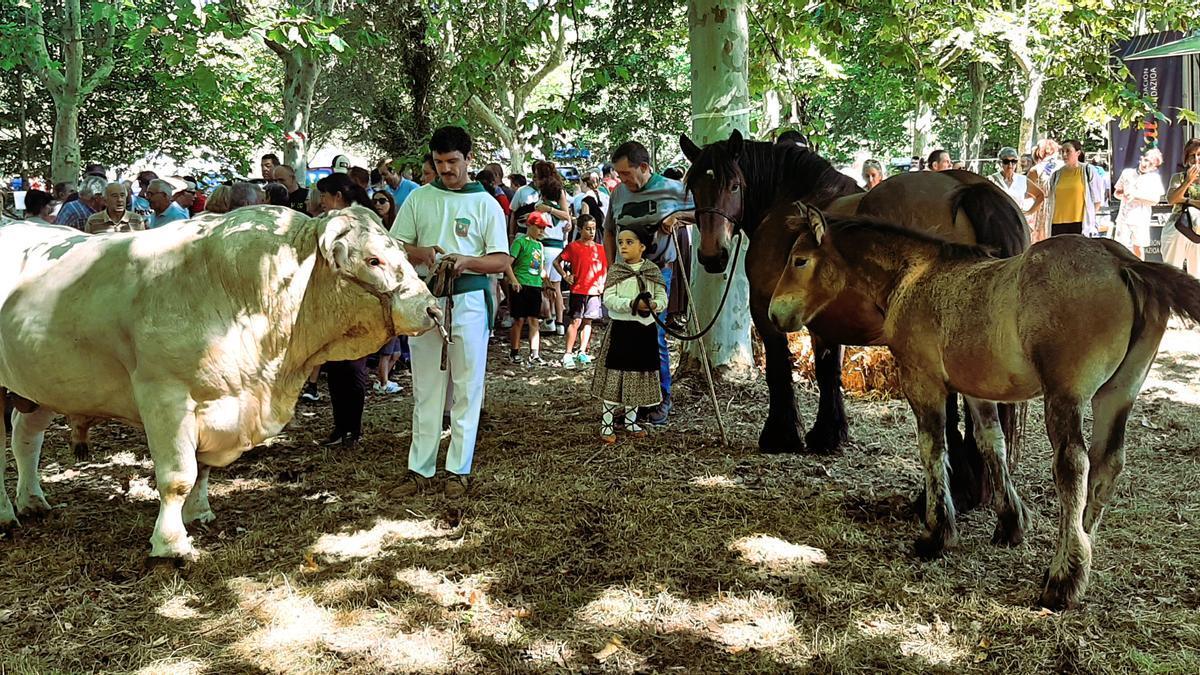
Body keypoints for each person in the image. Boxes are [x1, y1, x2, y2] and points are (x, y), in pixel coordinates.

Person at [390, 126, 510, 499]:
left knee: (466, 387)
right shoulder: (419, 199)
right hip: (427, 301)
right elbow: (394, 244)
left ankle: (458, 469)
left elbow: (502, 259)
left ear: (469, 159)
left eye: (453, 161)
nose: (446, 169)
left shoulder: (485, 203)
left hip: (470, 302)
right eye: (440, 162)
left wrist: (468, 261)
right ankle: (420, 468)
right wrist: (422, 254)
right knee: (426, 387)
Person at [603, 140, 692, 426]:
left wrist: (677, 217)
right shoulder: (618, 194)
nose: (621, 180)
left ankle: (659, 399)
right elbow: (608, 231)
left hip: (656, 272)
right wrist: (610, 268)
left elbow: (706, 212)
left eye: (626, 173)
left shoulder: (672, 188)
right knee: (625, 336)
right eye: (618, 174)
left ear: (644, 167)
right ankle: (632, 401)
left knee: (652, 334)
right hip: (624, 273)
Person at [314, 172, 375, 447]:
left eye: (324, 197)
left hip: (356, 301)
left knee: (351, 366)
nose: (322, 202)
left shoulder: (360, 219)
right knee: (336, 365)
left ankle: (352, 428)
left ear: (338, 196)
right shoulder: (334, 220)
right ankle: (341, 427)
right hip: (334, 302)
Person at [591, 227, 667, 443]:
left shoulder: (652, 271)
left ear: (642, 247)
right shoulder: (616, 270)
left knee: (637, 376)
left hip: (644, 332)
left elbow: (662, 296)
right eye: (621, 242)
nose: (623, 246)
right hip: (622, 332)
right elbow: (609, 298)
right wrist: (632, 304)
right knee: (616, 377)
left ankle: (631, 421)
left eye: (629, 242)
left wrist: (654, 305)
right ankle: (607, 424)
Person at [554, 214, 607, 368]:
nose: (591, 232)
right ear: (580, 229)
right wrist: (565, 276)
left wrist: (602, 284)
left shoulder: (600, 249)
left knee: (588, 321)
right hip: (578, 289)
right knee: (575, 320)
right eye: (587, 229)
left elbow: (604, 268)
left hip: (594, 290)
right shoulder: (573, 247)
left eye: (593, 229)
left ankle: (582, 351)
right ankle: (568, 353)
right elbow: (557, 262)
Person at [506, 211, 548, 364]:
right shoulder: (520, 242)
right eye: (539, 227)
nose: (542, 231)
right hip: (521, 285)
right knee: (519, 320)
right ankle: (514, 352)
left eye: (544, 228)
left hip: (535, 285)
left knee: (534, 320)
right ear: (529, 225)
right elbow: (507, 263)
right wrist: (514, 280)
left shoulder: (540, 245)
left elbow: (541, 269)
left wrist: (547, 284)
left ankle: (534, 354)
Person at [1043, 139, 1106, 237]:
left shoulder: (1088, 171)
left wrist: (1091, 220)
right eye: (1062, 152)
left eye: (1068, 151)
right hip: (1057, 223)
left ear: (1078, 153)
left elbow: (1097, 200)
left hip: (1080, 223)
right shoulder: (1056, 175)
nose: (1064, 154)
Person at [1112, 149, 1165, 259]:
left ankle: (1140, 273)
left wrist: (1136, 196)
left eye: (1150, 164)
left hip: (1141, 219)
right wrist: (1122, 194)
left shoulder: (1154, 179)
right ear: (1141, 158)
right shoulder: (1127, 173)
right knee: (1120, 248)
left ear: (1154, 167)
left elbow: (1155, 200)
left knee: (1138, 248)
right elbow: (1116, 193)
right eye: (1145, 160)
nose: (1146, 165)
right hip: (1124, 217)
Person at [1162, 137, 1200, 277]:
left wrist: (1185, 200)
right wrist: (1188, 182)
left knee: (1196, 276)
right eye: (1192, 156)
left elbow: (1178, 198)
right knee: (1171, 274)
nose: (1196, 160)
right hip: (1177, 227)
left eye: (1199, 155)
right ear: (1186, 159)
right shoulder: (1178, 177)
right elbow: (1171, 199)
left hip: (1198, 232)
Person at [986, 147, 1045, 222]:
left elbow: (1040, 195)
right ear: (1000, 163)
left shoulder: (1022, 180)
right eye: (1006, 161)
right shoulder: (991, 180)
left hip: (1016, 220)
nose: (1010, 165)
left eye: (1013, 161)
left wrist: (1029, 212)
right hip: (996, 220)